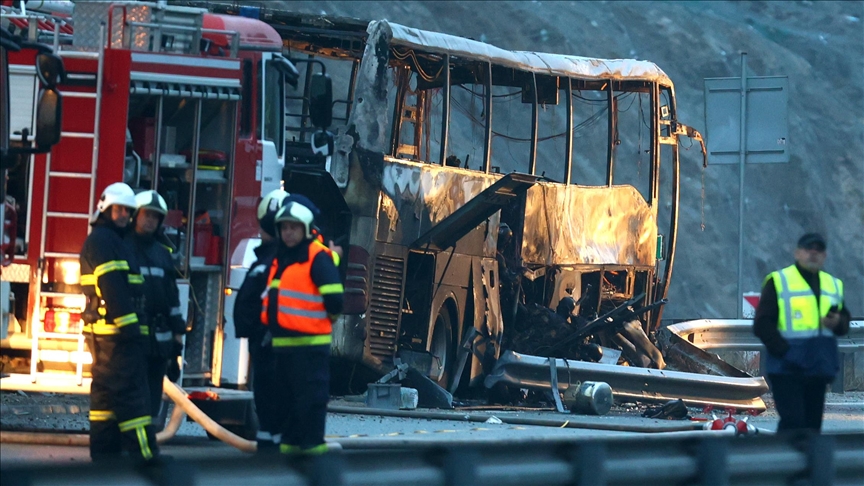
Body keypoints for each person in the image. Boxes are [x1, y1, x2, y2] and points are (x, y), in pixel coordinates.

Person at [79, 182, 160, 462]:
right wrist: (131, 330)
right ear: (105, 208)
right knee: (132, 399)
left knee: (105, 402)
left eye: (127, 210)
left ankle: (104, 461)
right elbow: (113, 287)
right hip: (117, 339)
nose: (124, 214)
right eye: (119, 209)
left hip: (106, 338)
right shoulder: (104, 241)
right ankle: (147, 459)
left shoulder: (110, 239)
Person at [261, 199, 343, 458]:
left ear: (306, 229)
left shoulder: (316, 257)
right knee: (285, 402)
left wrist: (318, 324)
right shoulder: (281, 258)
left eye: (294, 228)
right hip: (282, 347)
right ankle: (289, 454)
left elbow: (335, 300)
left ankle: (313, 455)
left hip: (309, 347)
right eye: (284, 228)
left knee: (310, 399)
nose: (288, 232)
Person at [753, 232, 851, 433]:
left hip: (818, 368)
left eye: (819, 250)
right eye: (808, 249)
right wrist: (785, 351)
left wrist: (837, 322)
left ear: (825, 255)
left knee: (812, 427)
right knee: (793, 423)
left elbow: (844, 323)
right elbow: (762, 324)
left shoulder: (832, 284)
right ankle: (781, 462)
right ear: (797, 253)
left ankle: (807, 464)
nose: (813, 253)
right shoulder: (779, 281)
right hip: (787, 369)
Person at [232, 188, 289, 452]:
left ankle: (272, 464)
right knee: (268, 413)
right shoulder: (272, 260)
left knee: (274, 411)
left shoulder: (278, 262)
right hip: (266, 347)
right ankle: (269, 462)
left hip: (272, 348)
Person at [126, 190, 186, 427]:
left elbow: (172, 299)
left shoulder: (162, 254)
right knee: (133, 394)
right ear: (135, 216)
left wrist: (177, 337)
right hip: (132, 338)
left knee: (153, 396)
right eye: (146, 215)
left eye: (155, 216)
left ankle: (148, 440)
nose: (150, 220)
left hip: (158, 341)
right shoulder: (123, 248)